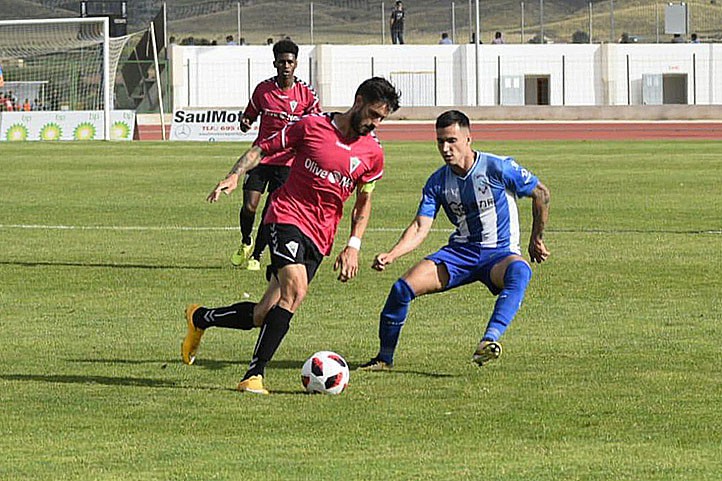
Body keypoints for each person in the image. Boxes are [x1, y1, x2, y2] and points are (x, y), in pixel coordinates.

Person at [182, 77, 401, 395]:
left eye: (382, 118)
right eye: (373, 114)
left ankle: (201, 318)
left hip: (321, 234)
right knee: (295, 293)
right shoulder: (311, 126)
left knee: (262, 314)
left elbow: (363, 205)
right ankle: (253, 376)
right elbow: (262, 148)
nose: (375, 123)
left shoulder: (373, 153)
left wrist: (353, 245)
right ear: (358, 100)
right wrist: (234, 175)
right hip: (285, 216)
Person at [358, 110, 550, 371]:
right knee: (401, 289)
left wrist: (535, 239)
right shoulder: (437, 182)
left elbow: (541, 193)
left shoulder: (497, 167)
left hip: (499, 255)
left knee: (520, 271)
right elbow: (420, 225)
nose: (446, 149)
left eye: (452, 141)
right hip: (459, 254)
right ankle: (384, 359)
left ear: (468, 139)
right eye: (440, 142)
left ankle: (489, 340)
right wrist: (393, 254)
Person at [229, 39, 321, 272]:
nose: (286, 66)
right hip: (261, 157)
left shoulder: (306, 95)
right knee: (250, 206)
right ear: (275, 64)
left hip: (289, 162)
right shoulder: (263, 90)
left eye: (289, 62)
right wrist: (246, 121)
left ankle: (257, 255)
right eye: (281, 62)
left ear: (296, 64)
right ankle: (246, 240)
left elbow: (317, 126)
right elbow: (249, 114)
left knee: (271, 211)